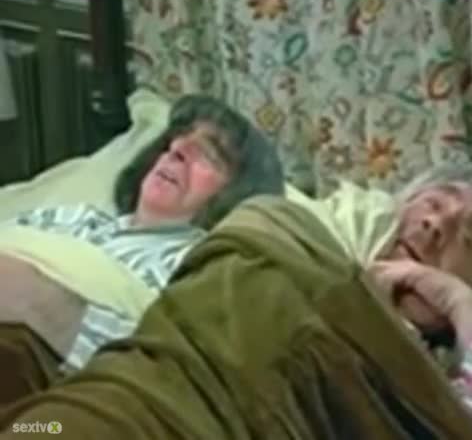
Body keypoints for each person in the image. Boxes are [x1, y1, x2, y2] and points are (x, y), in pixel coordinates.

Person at [0, 94, 285, 406]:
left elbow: (170, 371)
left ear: (235, 196)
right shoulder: (75, 217)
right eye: (176, 140)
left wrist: (42, 303)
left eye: (208, 154)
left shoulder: (198, 264)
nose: (178, 150)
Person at [288, 164, 472, 437]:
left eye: (467, 238)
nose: (435, 225)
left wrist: (460, 302)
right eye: (433, 204)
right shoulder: (312, 242)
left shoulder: (438, 383)